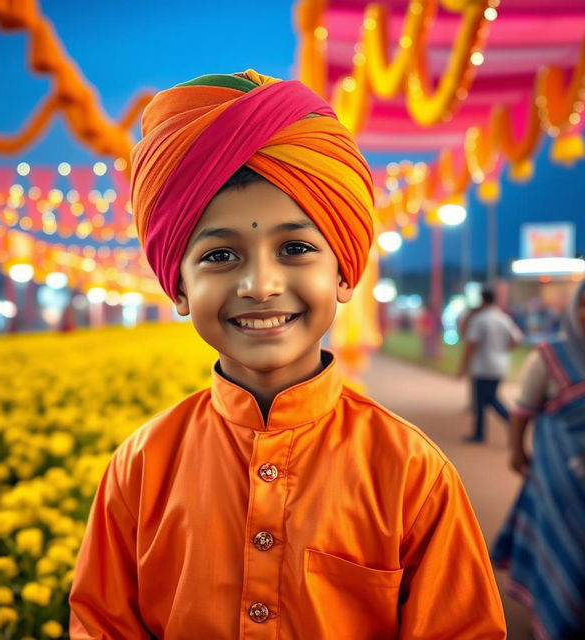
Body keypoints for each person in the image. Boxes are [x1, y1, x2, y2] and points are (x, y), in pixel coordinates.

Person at [68, 70, 506, 639]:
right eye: (220, 256)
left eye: (295, 248)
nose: (260, 284)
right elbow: (100, 627)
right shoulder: (143, 467)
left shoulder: (410, 472)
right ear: (177, 287)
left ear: (346, 271)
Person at [492, 280, 585, 638]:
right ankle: (555, 616)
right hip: (561, 479)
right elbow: (523, 411)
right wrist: (517, 450)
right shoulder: (550, 356)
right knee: (567, 546)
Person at [458, 287, 523, 442]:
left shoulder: (479, 319)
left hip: (482, 366)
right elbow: (516, 340)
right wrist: (502, 350)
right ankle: (479, 432)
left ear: (482, 300)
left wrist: (463, 366)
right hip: (500, 364)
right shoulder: (503, 318)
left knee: (486, 400)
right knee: (486, 398)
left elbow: (471, 344)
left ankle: (508, 422)